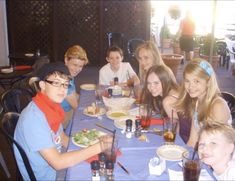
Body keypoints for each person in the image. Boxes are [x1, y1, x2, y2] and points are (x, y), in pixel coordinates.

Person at [14, 62, 112, 180]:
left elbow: (63, 138)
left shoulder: (50, 107)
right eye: (56, 83)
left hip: (56, 162)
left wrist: (88, 143)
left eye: (65, 84)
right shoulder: (34, 119)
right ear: (42, 85)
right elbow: (58, 163)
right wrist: (99, 147)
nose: (62, 89)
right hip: (49, 176)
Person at [174, 58, 231, 147]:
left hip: (221, 157)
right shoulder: (197, 103)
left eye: (197, 81)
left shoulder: (218, 106)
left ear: (208, 82)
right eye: (187, 81)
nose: (190, 86)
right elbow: (192, 141)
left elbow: (216, 146)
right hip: (205, 152)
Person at [62, 45, 89, 127]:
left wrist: (87, 97)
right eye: (74, 65)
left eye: (80, 66)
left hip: (68, 110)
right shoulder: (63, 78)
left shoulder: (68, 73)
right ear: (66, 60)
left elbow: (73, 95)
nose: (77, 69)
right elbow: (76, 107)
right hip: (61, 117)